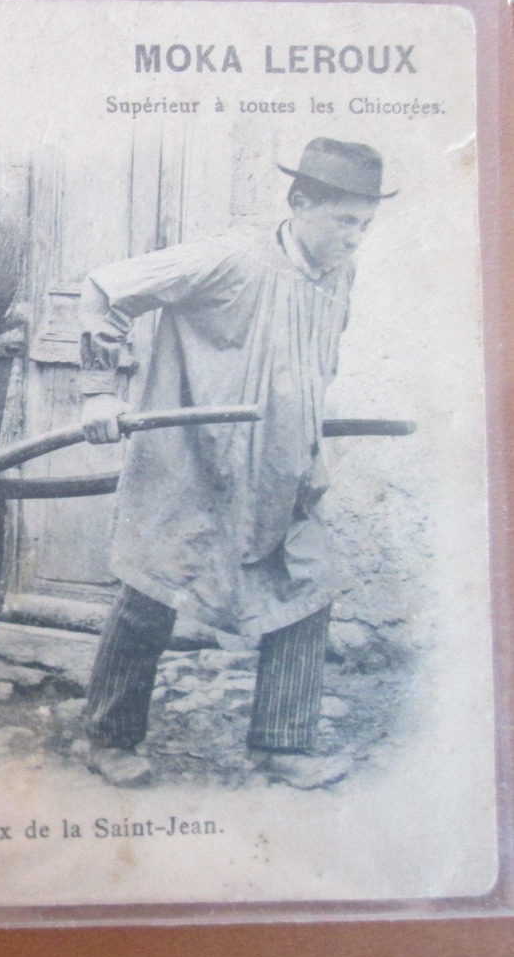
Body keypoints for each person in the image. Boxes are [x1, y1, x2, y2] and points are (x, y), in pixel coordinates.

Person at [77, 137, 395, 790]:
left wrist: (309, 455)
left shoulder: (340, 275)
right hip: (189, 461)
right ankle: (107, 737)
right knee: (152, 591)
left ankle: (281, 744)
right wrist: (98, 391)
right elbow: (106, 290)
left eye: (365, 224)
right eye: (344, 221)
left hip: (278, 471)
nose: (355, 237)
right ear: (300, 202)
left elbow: (315, 368)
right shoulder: (230, 258)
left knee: (309, 587)